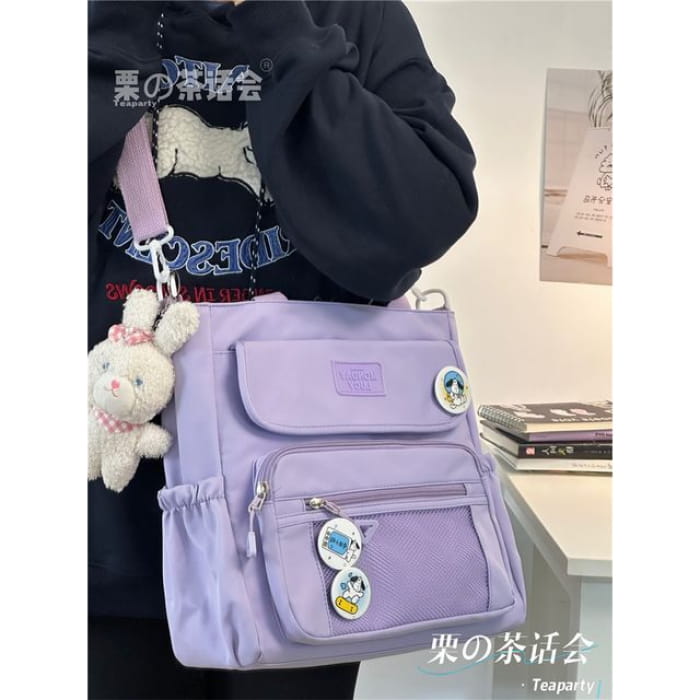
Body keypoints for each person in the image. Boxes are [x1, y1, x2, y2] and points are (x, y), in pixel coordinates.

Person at [88, 1, 479, 697]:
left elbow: (424, 214)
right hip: (103, 516)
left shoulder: (351, 12)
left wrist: (277, 25)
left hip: (306, 527)